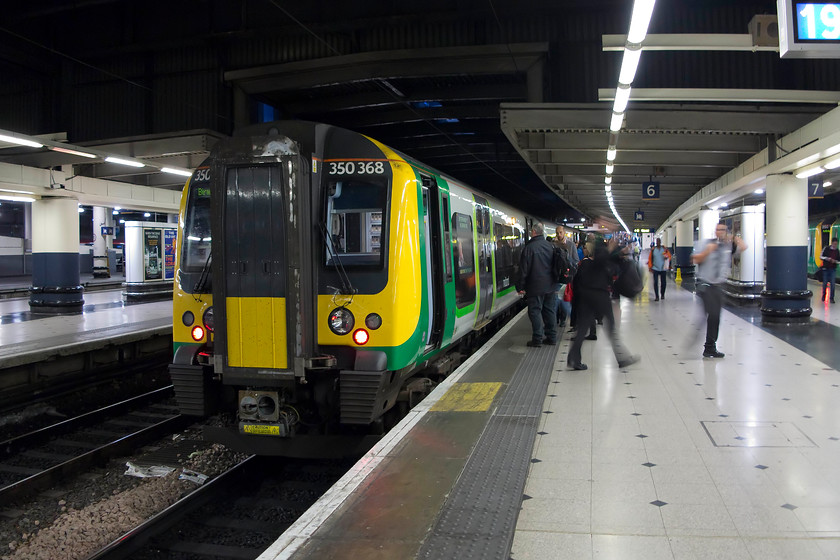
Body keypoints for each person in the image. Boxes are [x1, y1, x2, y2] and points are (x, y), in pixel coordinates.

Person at [566, 238, 640, 371]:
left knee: (583, 328)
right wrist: (610, 249)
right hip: (599, 294)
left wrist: (619, 252)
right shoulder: (597, 258)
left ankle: (573, 358)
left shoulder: (588, 262)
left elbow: (609, 260)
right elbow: (603, 260)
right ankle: (622, 358)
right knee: (610, 326)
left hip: (586, 295)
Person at [692, 222, 747, 358]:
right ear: (714, 231)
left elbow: (744, 247)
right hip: (706, 284)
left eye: (722, 230)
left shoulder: (727, 247)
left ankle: (710, 346)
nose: (720, 232)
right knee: (713, 314)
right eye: (717, 229)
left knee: (714, 317)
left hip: (719, 286)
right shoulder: (705, 243)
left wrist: (734, 238)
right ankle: (708, 344)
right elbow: (695, 259)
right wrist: (708, 251)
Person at [516, 223, 558, 347]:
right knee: (549, 311)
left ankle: (537, 339)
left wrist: (520, 287)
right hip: (550, 286)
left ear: (534, 232)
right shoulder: (550, 246)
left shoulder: (529, 248)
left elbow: (523, 271)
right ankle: (552, 337)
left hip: (535, 287)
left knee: (535, 312)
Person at [554, 226, 580, 326]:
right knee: (556, 300)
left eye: (560, 232)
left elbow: (576, 260)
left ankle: (563, 319)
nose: (559, 235)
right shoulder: (553, 245)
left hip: (566, 277)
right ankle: (556, 319)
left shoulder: (571, 245)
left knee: (564, 299)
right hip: (556, 277)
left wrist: (568, 262)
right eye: (557, 233)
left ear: (564, 232)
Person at [820, 237, 839, 303]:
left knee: (833, 284)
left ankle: (831, 298)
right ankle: (823, 296)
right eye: (834, 244)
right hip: (826, 269)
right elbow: (821, 256)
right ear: (831, 243)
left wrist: (835, 261)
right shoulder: (826, 248)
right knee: (825, 283)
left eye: (836, 244)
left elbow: (839, 261)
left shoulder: (837, 251)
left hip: (833, 269)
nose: (835, 246)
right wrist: (827, 258)